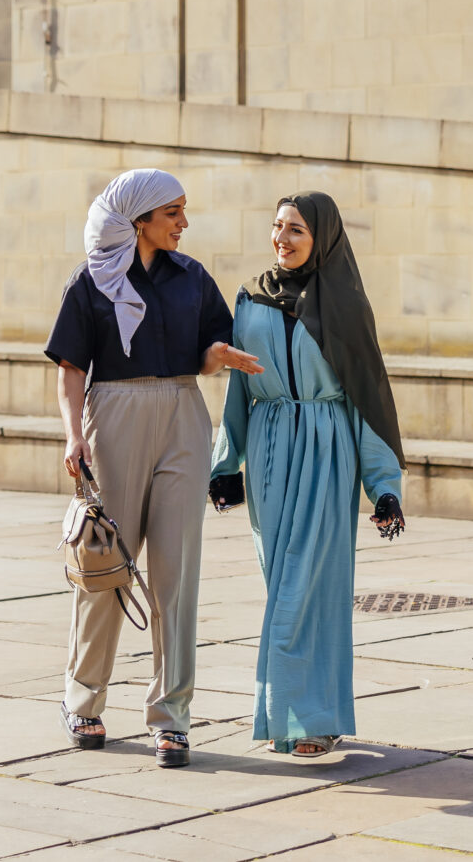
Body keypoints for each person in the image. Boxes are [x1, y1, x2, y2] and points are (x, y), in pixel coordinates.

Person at [45, 168, 260, 768]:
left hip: (183, 414)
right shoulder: (90, 283)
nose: (184, 223)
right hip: (112, 415)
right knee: (106, 565)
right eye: (174, 213)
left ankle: (172, 717)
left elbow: (211, 344)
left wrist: (220, 356)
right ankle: (83, 699)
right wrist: (72, 437)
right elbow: (69, 367)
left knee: (176, 570)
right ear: (139, 219)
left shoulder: (192, 277)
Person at [208, 191, 406, 761]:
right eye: (277, 227)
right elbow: (240, 386)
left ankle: (310, 719)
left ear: (322, 236)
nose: (283, 238)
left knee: (309, 588)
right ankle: (292, 717)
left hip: (327, 450)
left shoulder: (345, 306)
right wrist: (228, 463)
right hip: (270, 451)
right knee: (281, 584)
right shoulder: (251, 299)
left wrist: (383, 485)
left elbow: (367, 400)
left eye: (296, 229)